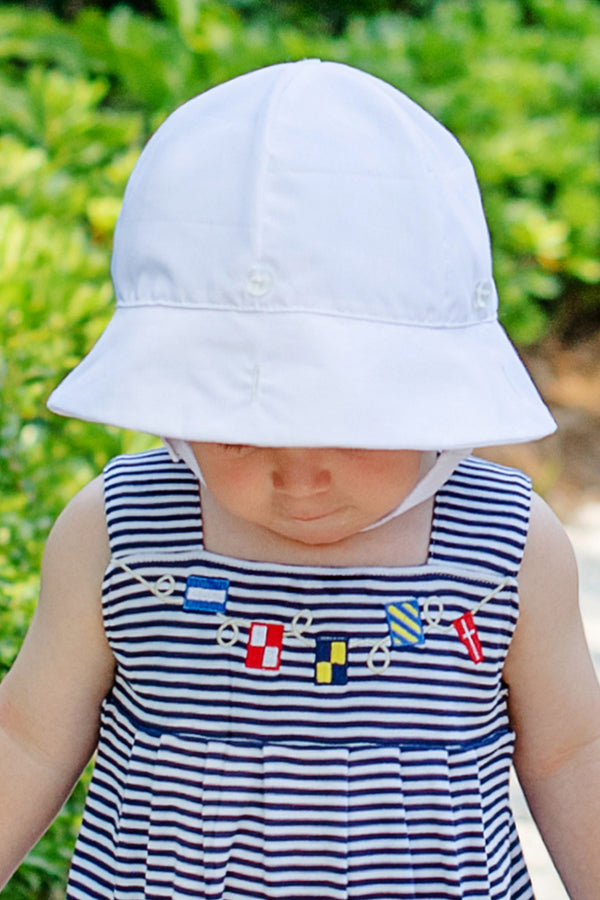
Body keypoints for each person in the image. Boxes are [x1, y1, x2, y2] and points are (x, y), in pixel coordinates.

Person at [1, 60, 599, 900]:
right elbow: (26, 736)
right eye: (244, 436)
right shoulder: (122, 534)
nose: (301, 477)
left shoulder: (505, 547)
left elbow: (573, 752)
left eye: (351, 428)